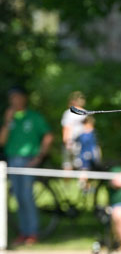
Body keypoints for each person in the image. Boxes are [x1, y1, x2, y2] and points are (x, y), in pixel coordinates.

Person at [0, 86, 54, 245]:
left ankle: (32, 232)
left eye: (17, 97)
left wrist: (39, 156)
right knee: (18, 197)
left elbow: (48, 135)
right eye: (12, 98)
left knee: (26, 196)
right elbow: (2, 141)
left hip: (28, 160)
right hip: (12, 160)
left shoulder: (34, 117)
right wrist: (7, 122)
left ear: (24, 98)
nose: (14, 101)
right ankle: (23, 232)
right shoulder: (10, 119)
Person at [61, 91, 87, 169]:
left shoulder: (68, 113)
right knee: (82, 165)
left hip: (73, 142)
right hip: (80, 142)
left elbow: (66, 128)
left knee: (68, 164)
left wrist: (66, 141)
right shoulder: (85, 112)